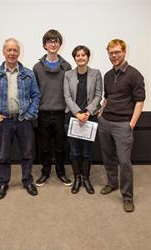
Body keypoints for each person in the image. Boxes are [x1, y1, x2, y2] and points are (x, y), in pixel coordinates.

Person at [0, 38, 40, 199]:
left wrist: (29, 114)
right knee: (3, 155)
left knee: (27, 153)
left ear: (19, 52)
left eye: (15, 50)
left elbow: (36, 95)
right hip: (4, 121)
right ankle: (3, 182)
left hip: (23, 121)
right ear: (4, 52)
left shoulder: (28, 74)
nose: (12, 53)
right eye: (9, 50)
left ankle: (27, 180)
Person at [98, 39, 146, 212]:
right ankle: (112, 183)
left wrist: (131, 124)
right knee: (108, 157)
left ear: (124, 52)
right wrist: (101, 113)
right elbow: (108, 97)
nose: (114, 55)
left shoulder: (134, 75)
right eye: (111, 53)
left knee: (124, 162)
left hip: (123, 125)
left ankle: (127, 196)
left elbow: (140, 101)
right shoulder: (108, 75)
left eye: (117, 52)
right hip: (105, 123)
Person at [33, 29, 72, 187]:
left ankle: (61, 173)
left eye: (56, 41)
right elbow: (34, 91)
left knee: (60, 146)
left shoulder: (67, 66)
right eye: (50, 41)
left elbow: (70, 91)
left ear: (60, 44)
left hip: (61, 113)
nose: (53, 44)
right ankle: (45, 172)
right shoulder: (37, 67)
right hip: (42, 113)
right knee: (44, 147)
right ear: (44, 45)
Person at [64, 45, 102, 194]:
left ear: (88, 57)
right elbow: (67, 96)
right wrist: (78, 113)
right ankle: (77, 179)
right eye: (78, 55)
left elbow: (98, 95)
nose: (81, 57)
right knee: (74, 151)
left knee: (87, 151)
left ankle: (86, 178)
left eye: (83, 55)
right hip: (73, 118)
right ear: (74, 58)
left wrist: (87, 112)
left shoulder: (96, 73)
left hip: (89, 118)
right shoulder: (68, 74)